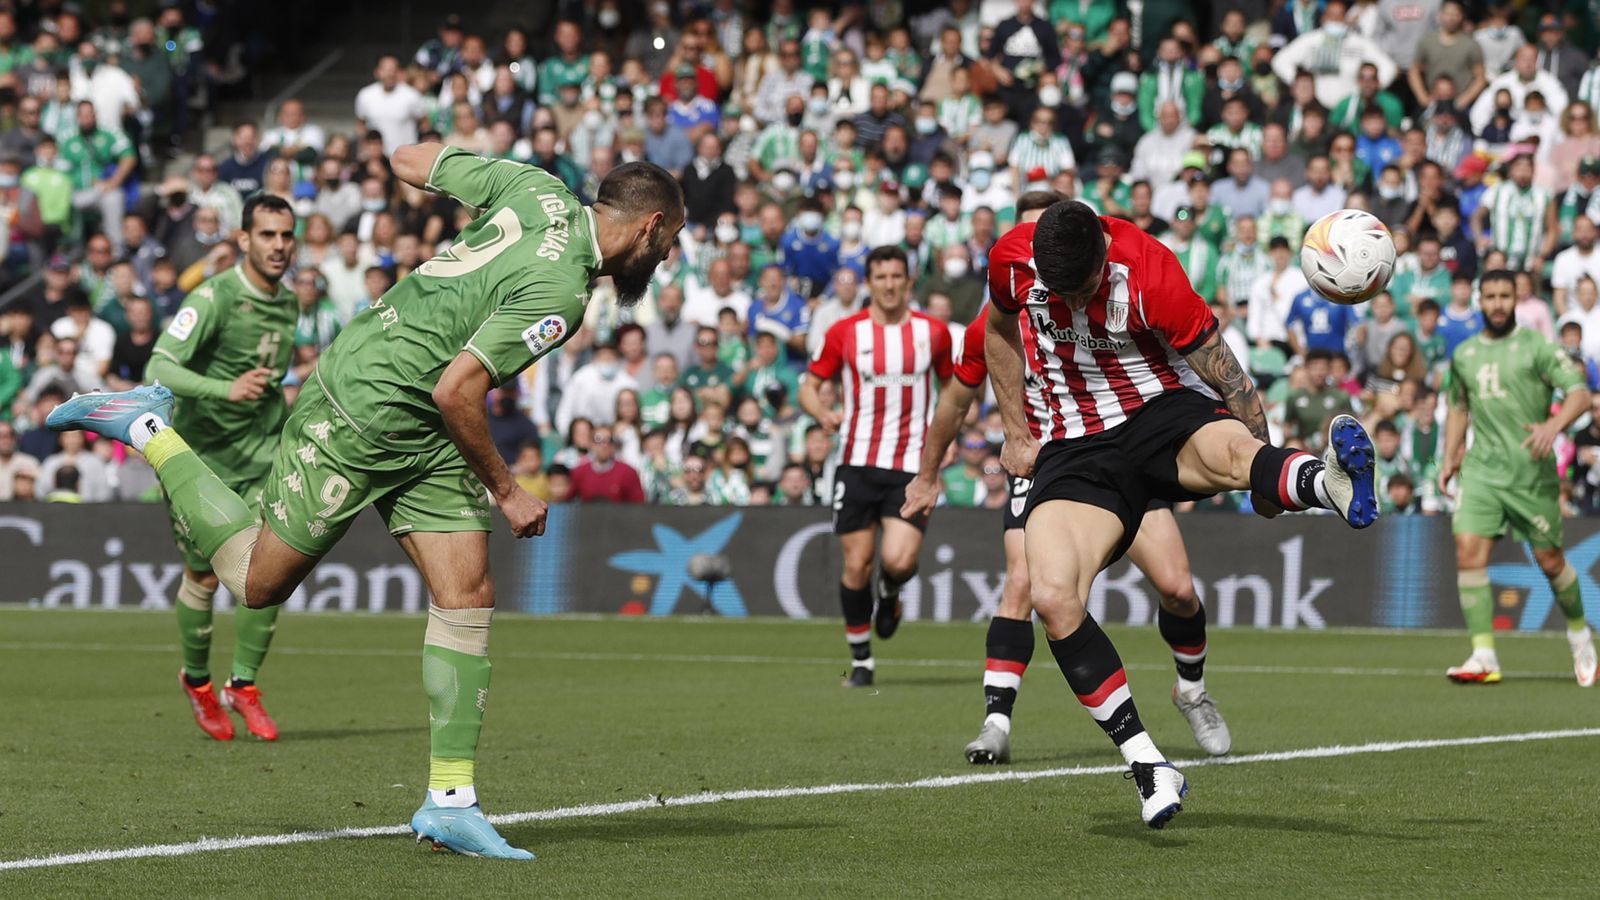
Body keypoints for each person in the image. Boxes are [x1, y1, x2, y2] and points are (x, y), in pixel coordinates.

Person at [48, 144, 685, 860]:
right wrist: (507, 491)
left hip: (426, 426)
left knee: (467, 591)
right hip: (367, 405)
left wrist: (448, 183)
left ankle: (451, 802)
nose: (665, 259)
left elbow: (407, 156)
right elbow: (459, 389)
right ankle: (146, 427)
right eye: (670, 244)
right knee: (253, 582)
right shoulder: (563, 292)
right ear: (649, 225)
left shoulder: (534, 188)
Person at [983, 201, 1379, 828]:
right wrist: (1012, 429)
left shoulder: (1150, 271)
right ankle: (1148, 764)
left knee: (1233, 460)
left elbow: (1233, 381)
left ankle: (1322, 483)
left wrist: (1265, 490)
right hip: (1075, 444)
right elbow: (997, 332)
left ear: (1103, 254)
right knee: (1054, 597)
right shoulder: (1011, 261)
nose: (1074, 298)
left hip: (1157, 409)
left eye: (1083, 286)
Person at [901, 192, 1230, 769]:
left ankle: (1192, 690)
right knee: (1026, 582)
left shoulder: (1108, 300)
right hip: (1048, 459)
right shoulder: (999, 316)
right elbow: (955, 400)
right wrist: (928, 475)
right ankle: (997, 722)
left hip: (1119, 445)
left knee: (1177, 587)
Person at [138, 194, 300, 743]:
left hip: (263, 457)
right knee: (205, 577)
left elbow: (268, 378)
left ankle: (244, 684)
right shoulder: (213, 297)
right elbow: (158, 365)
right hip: (201, 463)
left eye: (287, 235)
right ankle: (199, 682)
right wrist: (223, 389)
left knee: (271, 570)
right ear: (244, 239)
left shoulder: (290, 302)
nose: (279, 246)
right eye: (268, 235)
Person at [799, 245, 953, 688]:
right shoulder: (846, 332)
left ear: (909, 282)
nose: (888, 285)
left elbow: (953, 391)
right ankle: (861, 661)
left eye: (896, 277)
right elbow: (810, 386)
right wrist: (821, 413)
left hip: (912, 465)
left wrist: (947, 442)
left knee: (899, 560)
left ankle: (890, 592)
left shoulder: (934, 333)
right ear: (869, 283)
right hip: (857, 462)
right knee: (856, 565)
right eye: (880, 277)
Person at [1437, 269, 1597, 686]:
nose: (1496, 304)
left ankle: (1580, 635)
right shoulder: (1465, 353)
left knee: (1551, 561)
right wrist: (1450, 455)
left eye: (1504, 296)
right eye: (1489, 296)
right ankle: (1483, 655)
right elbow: (1458, 406)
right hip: (1482, 472)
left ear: (1516, 300)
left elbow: (1579, 394)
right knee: (1468, 553)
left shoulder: (1537, 347)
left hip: (1530, 473)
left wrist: (1553, 425)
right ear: (1479, 300)